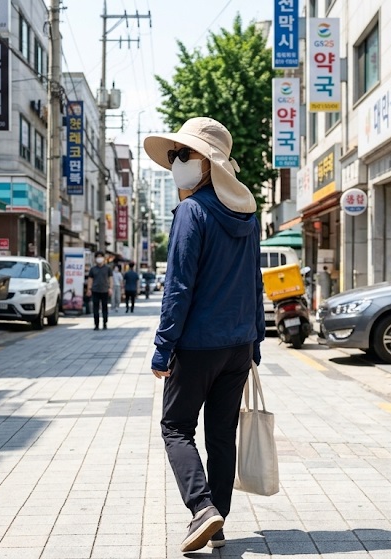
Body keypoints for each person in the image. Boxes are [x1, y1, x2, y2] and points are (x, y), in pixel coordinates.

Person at [144, 117, 265, 552]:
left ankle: (202, 509)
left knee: (175, 428)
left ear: (210, 163)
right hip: (236, 347)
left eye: (184, 154)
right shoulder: (247, 214)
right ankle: (219, 522)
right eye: (174, 155)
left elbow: (178, 287)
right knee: (220, 435)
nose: (176, 162)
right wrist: (256, 342)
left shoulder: (192, 212)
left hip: (197, 347)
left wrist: (162, 351)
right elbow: (256, 281)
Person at [86, 253, 113, 330]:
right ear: (95, 259)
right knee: (95, 308)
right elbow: (90, 280)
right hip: (95, 291)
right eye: (97, 257)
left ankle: (105, 323)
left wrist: (110, 288)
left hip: (105, 290)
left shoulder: (108, 268)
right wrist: (89, 289)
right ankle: (96, 324)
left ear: (104, 258)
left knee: (105, 307)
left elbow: (110, 279)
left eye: (100, 257)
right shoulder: (93, 269)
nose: (99, 258)